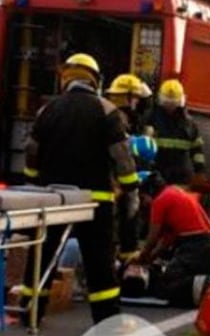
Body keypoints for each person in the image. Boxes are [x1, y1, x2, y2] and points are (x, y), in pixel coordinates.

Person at [22, 53, 139, 326]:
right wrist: (130, 186)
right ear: (94, 80)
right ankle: (106, 321)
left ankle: (31, 312)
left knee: (42, 256)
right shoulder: (106, 110)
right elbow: (122, 158)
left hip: (54, 200)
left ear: (66, 79)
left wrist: (34, 183)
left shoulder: (47, 110)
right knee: (100, 265)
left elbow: (31, 153)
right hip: (94, 201)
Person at [131, 175, 210, 307]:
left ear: (150, 192)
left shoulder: (160, 201)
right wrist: (150, 258)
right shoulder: (174, 192)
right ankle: (207, 284)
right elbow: (166, 240)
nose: (143, 203)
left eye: (143, 198)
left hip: (197, 247)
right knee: (174, 276)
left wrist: (141, 257)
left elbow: (152, 238)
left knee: (166, 284)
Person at [105, 73, 154, 260]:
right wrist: (132, 184)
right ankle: (125, 261)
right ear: (129, 98)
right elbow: (121, 157)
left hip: (112, 181)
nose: (138, 104)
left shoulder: (113, 114)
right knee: (125, 221)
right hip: (116, 182)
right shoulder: (118, 120)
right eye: (136, 99)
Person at [145, 79, 206, 186]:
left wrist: (200, 171)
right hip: (155, 176)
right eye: (167, 103)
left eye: (174, 103)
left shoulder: (189, 124)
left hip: (180, 178)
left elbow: (197, 150)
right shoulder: (150, 119)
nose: (170, 107)